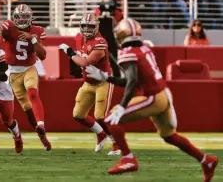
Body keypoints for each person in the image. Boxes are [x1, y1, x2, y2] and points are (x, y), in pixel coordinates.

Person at [85, 18, 219, 181]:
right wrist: (106, 77)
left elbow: (131, 81)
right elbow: (131, 79)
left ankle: (128, 159)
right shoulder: (144, 48)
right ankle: (206, 160)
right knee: (169, 135)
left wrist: (122, 106)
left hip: (153, 97)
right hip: (163, 94)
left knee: (110, 119)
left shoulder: (128, 53)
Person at [58, 14, 120, 155]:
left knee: (100, 116)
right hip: (88, 82)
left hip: (103, 82)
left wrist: (69, 52)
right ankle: (101, 134)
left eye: (90, 26)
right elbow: (81, 59)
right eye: (84, 26)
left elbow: (85, 62)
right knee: (78, 114)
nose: (86, 29)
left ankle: (117, 143)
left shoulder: (100, 42)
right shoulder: (79, 37)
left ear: (96, 27)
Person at [0, 4, 51, 151]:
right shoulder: (9, 26)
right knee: (27, 108)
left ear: (30, 18)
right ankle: (42, 136)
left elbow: (43, 56)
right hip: (12, 72)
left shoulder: (37, 31)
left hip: (29, 68)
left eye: (25, 16)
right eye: (19, 16)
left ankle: (41, 124)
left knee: (33, 93)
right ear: (14, 17)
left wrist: (33, 40)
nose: (22, 19)